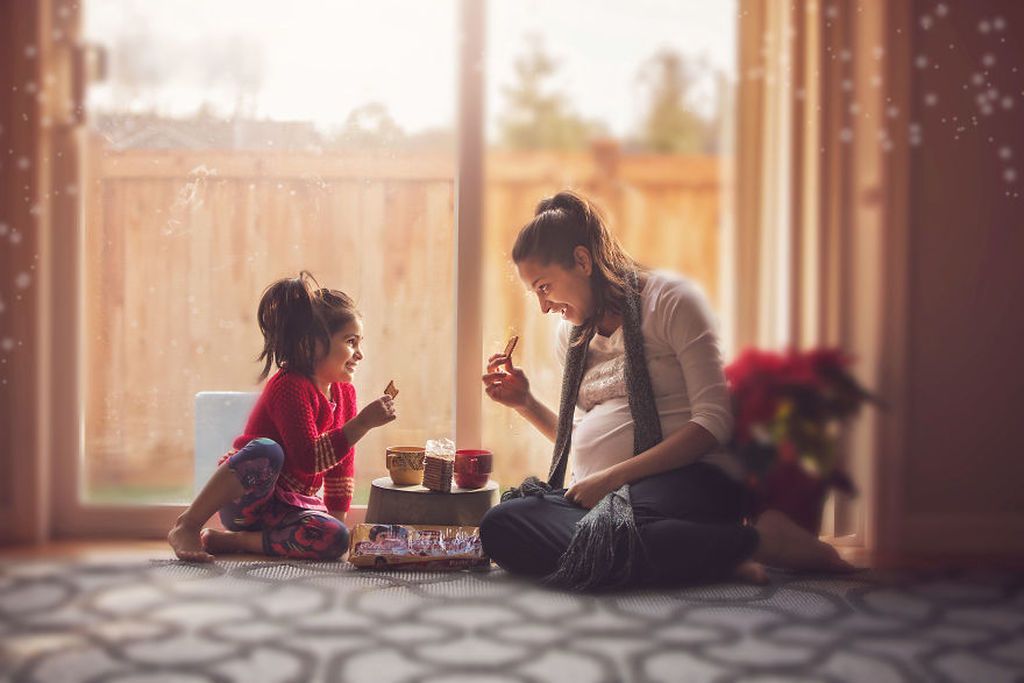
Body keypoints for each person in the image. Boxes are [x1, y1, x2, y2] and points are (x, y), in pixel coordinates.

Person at [480, 191, 851, 589]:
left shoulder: (670, 302)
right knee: (502, 523)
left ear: (582, 261)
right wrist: (526, 404)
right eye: (534, 292)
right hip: (604, 498)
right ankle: (711, 555)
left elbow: (715, 423)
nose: (542, 305)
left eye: (544, 286)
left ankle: (751, 541)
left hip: (692, 481)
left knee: (615, 529)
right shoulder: (570, 337)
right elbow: (584, 438)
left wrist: (609, 480)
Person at [167, 272, 397, 562]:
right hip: (250, 501)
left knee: (336, 538)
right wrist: (362, 424)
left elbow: (341, 467)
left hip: (292, 508)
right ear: (311, 344)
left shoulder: (345, 394)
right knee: (267, 450)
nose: (359, 354)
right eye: (351, 341)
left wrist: (337, 522)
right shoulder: (289, 386)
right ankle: (187, 525)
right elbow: (309, 459)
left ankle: (237, 542)